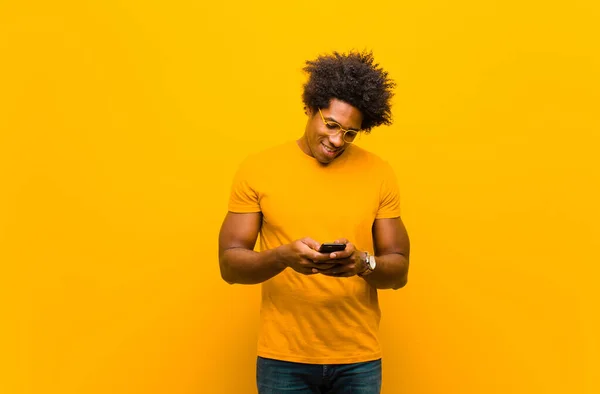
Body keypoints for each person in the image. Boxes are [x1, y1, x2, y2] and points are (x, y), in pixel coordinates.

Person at [218, 51, 410, 394]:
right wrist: (282, 257)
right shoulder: (259, 169)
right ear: (310, 108)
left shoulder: (379, 172)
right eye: (331, 124)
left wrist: (362, 263)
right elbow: (230, 265)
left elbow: (399, 271)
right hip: (283, 359)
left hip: (358, 358)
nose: (337, 140)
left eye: (350, 133)